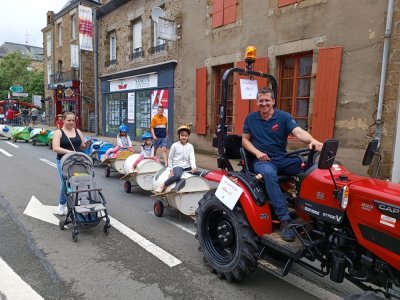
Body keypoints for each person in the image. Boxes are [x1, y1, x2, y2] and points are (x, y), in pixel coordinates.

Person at [242, 87, 323, 242]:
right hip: (263, 161)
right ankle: (285, 220)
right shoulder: (250, 119)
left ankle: (310, 209)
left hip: (281, 158)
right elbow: (245, 140)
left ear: (273, 101)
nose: (264, 103)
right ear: (257, 102)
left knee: (307, 167)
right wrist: (257, 152)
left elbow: (299, 132)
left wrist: (312, 140)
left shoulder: (283, 117)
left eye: (267, 100)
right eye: (261, 100)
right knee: (269, 174)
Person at [52, 112, 92, 215]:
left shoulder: (78, 131)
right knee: (66, 183)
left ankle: (79, 202)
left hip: (78, 161)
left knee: (80, 181)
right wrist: (70, 152)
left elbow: (82, 146)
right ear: (64, 120)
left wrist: (86, 145)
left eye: (73, 120)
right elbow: (55, 148)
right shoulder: (58, 132)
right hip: (64, 161)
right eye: (69, 120)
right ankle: (62, 205)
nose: (71, 122)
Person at [155, 125, 197, 194]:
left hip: (187, 166)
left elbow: (192, 158)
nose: (184, 137)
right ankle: (163, 185)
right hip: (178, 166)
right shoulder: (175, 145)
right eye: (182, 135)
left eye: (186, 136)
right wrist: (171, 169)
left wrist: (194, 167)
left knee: (201, 174)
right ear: (179, 136)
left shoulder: (190, 146)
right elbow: (170, 158)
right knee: (177, 175)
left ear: (188, 137)